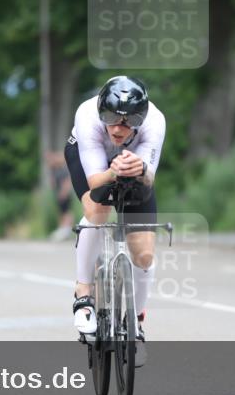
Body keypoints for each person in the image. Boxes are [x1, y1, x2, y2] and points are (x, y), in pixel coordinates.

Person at [64, 76, 165, 366]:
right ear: (100, 111)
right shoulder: (86, 115)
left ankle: (135, 325)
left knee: (144, 253)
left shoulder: (155, 122)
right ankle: (83, 292)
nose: (118, 128)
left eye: (128, 121)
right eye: (111, 118)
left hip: (134, 167)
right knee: (98, 211)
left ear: (141, 119)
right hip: (91, 162)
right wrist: (113, 172)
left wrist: (140, 167)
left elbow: (149, 177)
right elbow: (96, 180)